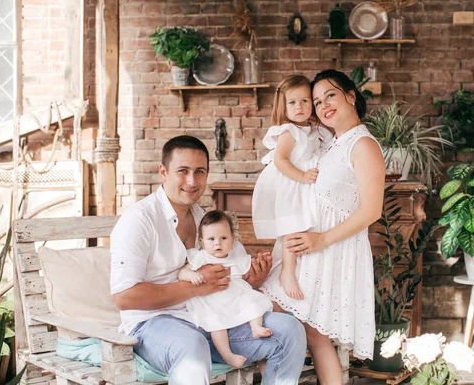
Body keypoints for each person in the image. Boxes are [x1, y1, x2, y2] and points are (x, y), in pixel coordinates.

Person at [110, 135, 306, 385]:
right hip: (153, 323)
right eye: (183, 171)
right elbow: (124, 297)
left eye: (199, 172)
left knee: (290, 330)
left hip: (211, 319)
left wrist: (253, 279)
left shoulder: (206, 220)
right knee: (193, 346)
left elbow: (230, 277)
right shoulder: (139, 220)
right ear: (163, 172)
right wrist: (194, 288)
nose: (192, 182)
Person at [261, 69, 386, 384]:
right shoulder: (332, 141)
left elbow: (372, 210)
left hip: (331, 251)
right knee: (294, 326)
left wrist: (321, 240)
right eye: (316, 101)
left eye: (330, 95)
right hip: (310, 250)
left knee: (313, 335)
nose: (323, 105)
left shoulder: (364, 144)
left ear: (350, 95)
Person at [252, 75, 332, 299]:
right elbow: (281, 160)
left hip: (304, 185)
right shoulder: (289, 131)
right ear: (283, 106)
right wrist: (302, 175)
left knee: (304, 227)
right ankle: (287, 271)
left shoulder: (314, 129)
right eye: (293, 102)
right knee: (292, 227)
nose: (299, 107)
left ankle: (298, 269)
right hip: (290, 184)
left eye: (305, 101)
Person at [178, 210, 274, 368]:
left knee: (252, 300)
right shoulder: (200, 257)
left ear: (232, 240)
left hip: (234, 296)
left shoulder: (236, 257)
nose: (218, 243)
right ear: (202, 242)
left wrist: (262, 262)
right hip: (212, 300)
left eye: (223, 238)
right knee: (217, 323)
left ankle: (256, 327)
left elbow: (246, 275)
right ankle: (227, 354)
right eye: (211, 239)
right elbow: (182, 272)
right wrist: (191, 276)